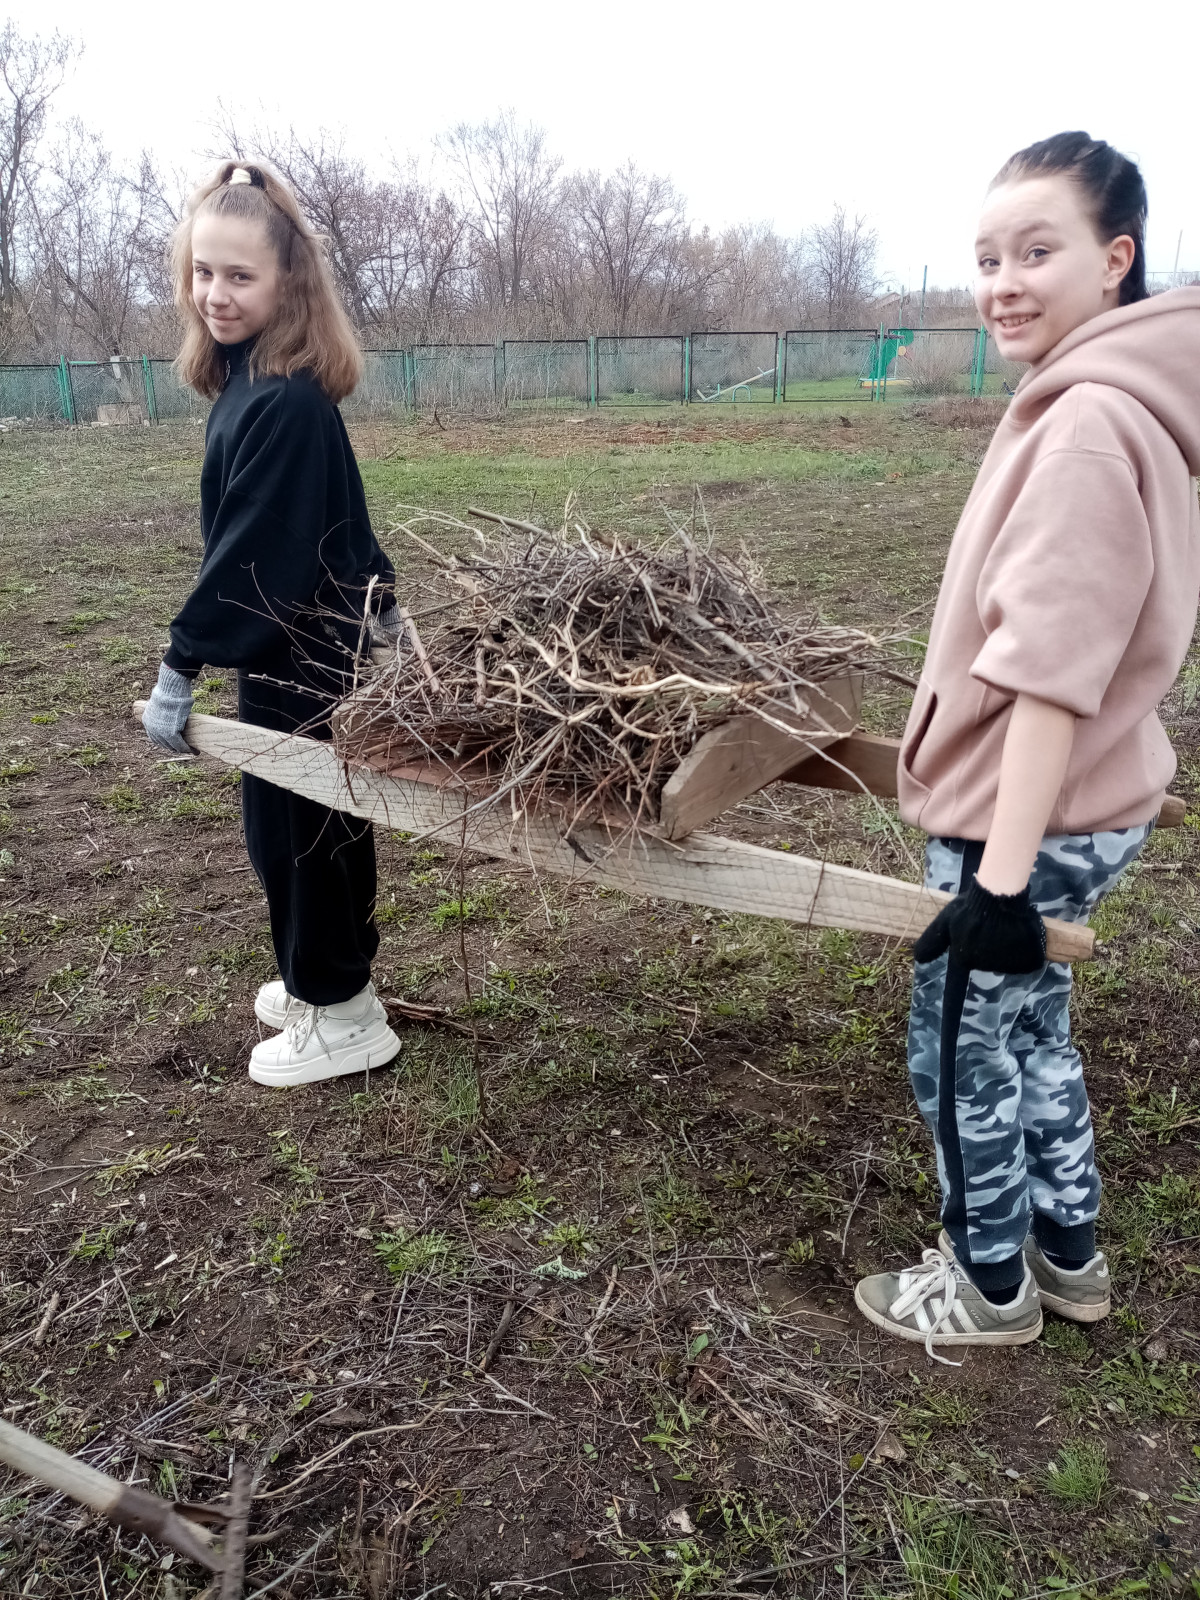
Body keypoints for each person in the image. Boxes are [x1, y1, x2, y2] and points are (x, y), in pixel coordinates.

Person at [854, 132, 1200, 1358]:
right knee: (1035, 1029)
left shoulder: (1091, 421)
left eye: (1036, 251)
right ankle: (1070, 1257)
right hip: (1084, 805)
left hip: (1028, 814)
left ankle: (986, 1284)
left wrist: (999, 882)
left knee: (957, 1047)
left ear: (1115, 260)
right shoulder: (1112, 396)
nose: (1001, 281)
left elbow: (1052, 673)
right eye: (989, 254)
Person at [141, 160, 405, 1089]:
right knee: (294, 825)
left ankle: (338, 1011)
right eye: (202, 272)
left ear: (287, 283)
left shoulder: (286, 399)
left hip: (307, 661)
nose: (215, 293)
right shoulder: (249, 385)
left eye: (240, 276)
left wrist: (181, 667)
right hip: (301, 652)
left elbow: (258, 553)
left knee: (301, 830)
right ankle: (334, 985)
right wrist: (389, 615)